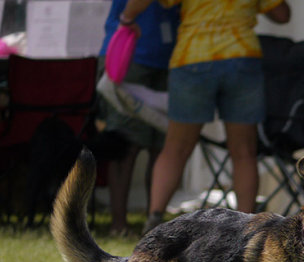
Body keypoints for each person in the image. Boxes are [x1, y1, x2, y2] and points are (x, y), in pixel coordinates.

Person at [117, 0, 292, 234]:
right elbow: (282, 15)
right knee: (244, 152)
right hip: (242, 56)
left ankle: (154, 220)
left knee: (176, 148)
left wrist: (127, 19)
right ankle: (247, 228)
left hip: (193, 57)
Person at [97, 0, 180, 236]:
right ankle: (119, 225)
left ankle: (153, 226)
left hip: (171, 59)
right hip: (129, 55)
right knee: (125, 145)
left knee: (162, 148)